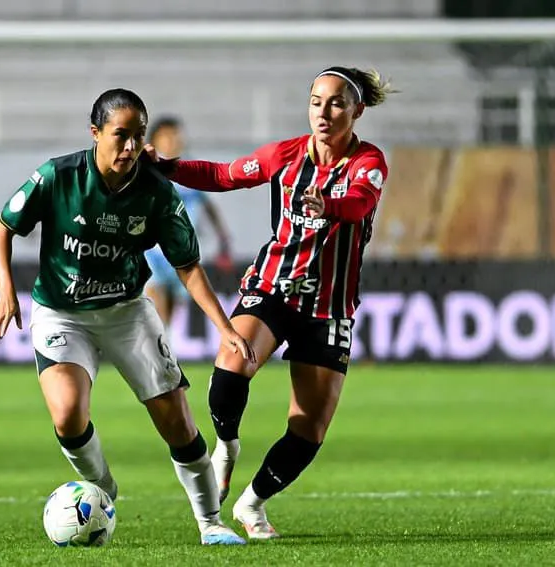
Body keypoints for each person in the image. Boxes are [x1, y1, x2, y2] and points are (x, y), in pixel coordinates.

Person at [0, 88, 256, 546]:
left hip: (126, 312)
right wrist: (6, 291)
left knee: (176, 420)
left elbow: (188, 266)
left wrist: (224, 327)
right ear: (95, 133)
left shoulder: (156, 191)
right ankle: (102, 489)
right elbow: (2, 229)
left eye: (138, 136)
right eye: (120, 135)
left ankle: (211, 522)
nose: (130, 147)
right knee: (67, 414)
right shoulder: (58, 176)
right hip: (62, 313)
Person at [145, 67, 394, 539]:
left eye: (336, 103)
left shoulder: (368, 161)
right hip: (274, 288)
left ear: (357, 110)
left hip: (328, 307)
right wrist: (169, 167)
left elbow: (360, 203)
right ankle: (226, 444)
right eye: (316, 102)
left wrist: (328, 206)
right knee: (231, 366)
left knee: (308, 430)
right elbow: (224, 175)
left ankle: (252, 503)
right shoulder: (285, 155)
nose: (323, 112)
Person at [143, 116, 233, 327]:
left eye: (176, 135)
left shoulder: (190, 168)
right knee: (156, 296)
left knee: (175, 305)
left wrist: (222, 236)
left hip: (183, 248)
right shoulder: (146, 170)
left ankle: (167, 339)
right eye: (167, 136)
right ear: (155, 140)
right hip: (153, 250)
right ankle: (161, 339)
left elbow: (209, 206)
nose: (173, 140)